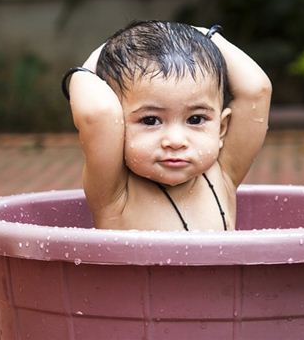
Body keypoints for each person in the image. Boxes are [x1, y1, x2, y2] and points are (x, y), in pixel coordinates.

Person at [64, 21, 271, 231]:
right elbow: (98, 113)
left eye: (195, 119)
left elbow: (257, 90)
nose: (175, 141)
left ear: (221, 129)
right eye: (150, 120)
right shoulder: (115, 192)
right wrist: (90, 66)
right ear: (119, 129)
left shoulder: (223, 174)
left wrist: (203, 35)